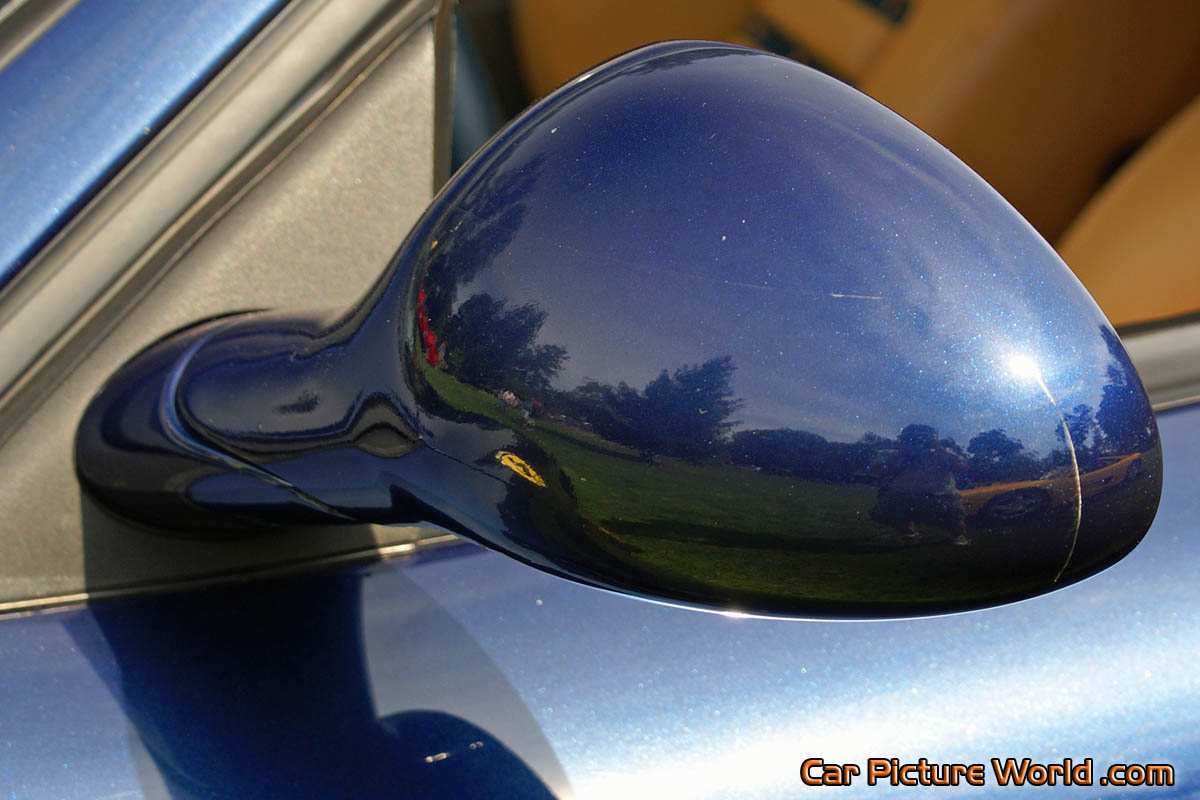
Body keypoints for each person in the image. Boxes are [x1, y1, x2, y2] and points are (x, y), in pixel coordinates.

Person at [870, 424, 970, 545]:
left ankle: (958, 535)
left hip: (939, 497)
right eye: (911, 439)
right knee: (888, 507)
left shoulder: (942, 454)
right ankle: (908, 533)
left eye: (922, 439)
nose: (918, 444)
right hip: (903, 495)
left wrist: (939, 449)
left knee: (952, 513)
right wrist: (903, 455)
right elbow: (877, 468)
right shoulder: (897, 455)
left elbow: (962, 465)